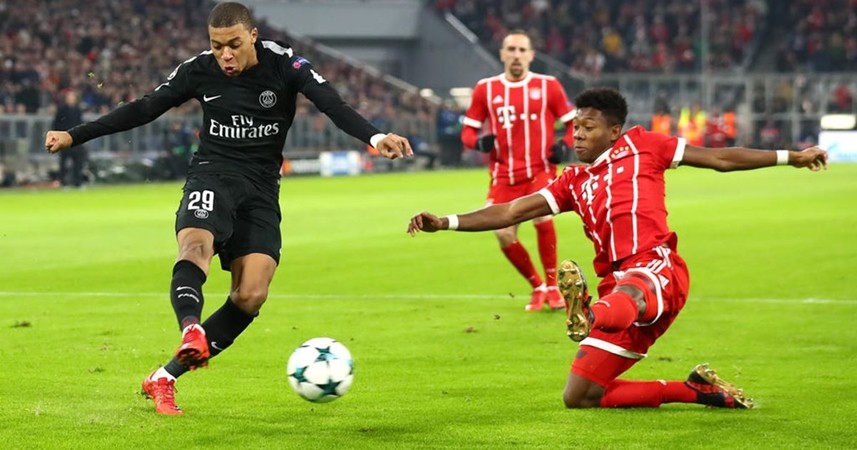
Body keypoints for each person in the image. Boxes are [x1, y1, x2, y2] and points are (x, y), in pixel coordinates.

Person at [45, 2, 412, 415]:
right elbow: (144, 107)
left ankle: (162, 378)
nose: (226, 55)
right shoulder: (199, 69)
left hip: (260, 189)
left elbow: (333, 104)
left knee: (252, 294)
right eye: (217, 46)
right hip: (212, 175)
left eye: (234, 45)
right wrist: (75, 136)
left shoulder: (286, 65)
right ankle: (190, 331)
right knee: (195, 248)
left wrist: (375, 136)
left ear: (253, 36)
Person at [407, 87, 828, 409]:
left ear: (614, 130)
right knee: (582, 396)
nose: (577, 135)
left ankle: (587, 314)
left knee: (628, 290)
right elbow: (511, 211)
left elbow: (721, 158)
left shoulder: (647, 145)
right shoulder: (573, 181)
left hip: (657, 270)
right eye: (574, 128)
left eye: (587, 128)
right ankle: (694, 390)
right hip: (617, 288)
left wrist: (792, 156)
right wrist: (445, 222)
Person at [460, 29, 576, 312]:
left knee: (542, 217)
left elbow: (573, 123)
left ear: (531, 56)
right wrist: (479, 142)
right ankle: (537, 287)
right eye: (511, 49)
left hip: (540, 170)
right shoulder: (485, 89)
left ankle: (553, 288)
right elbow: (467, 132)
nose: (516, 55)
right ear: (502, 54)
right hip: (504, 174)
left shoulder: (549, 85)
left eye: (522, 50)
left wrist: (564, 145)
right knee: (502, 233)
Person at [52, 90, 88, 188]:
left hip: (75, 139)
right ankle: (64, 183)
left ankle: (77, 182)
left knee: (78, 162)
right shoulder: (62, 110)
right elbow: (56, 124)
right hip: (64, 139)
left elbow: (80, 124)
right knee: (63, 162)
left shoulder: (77, 110)